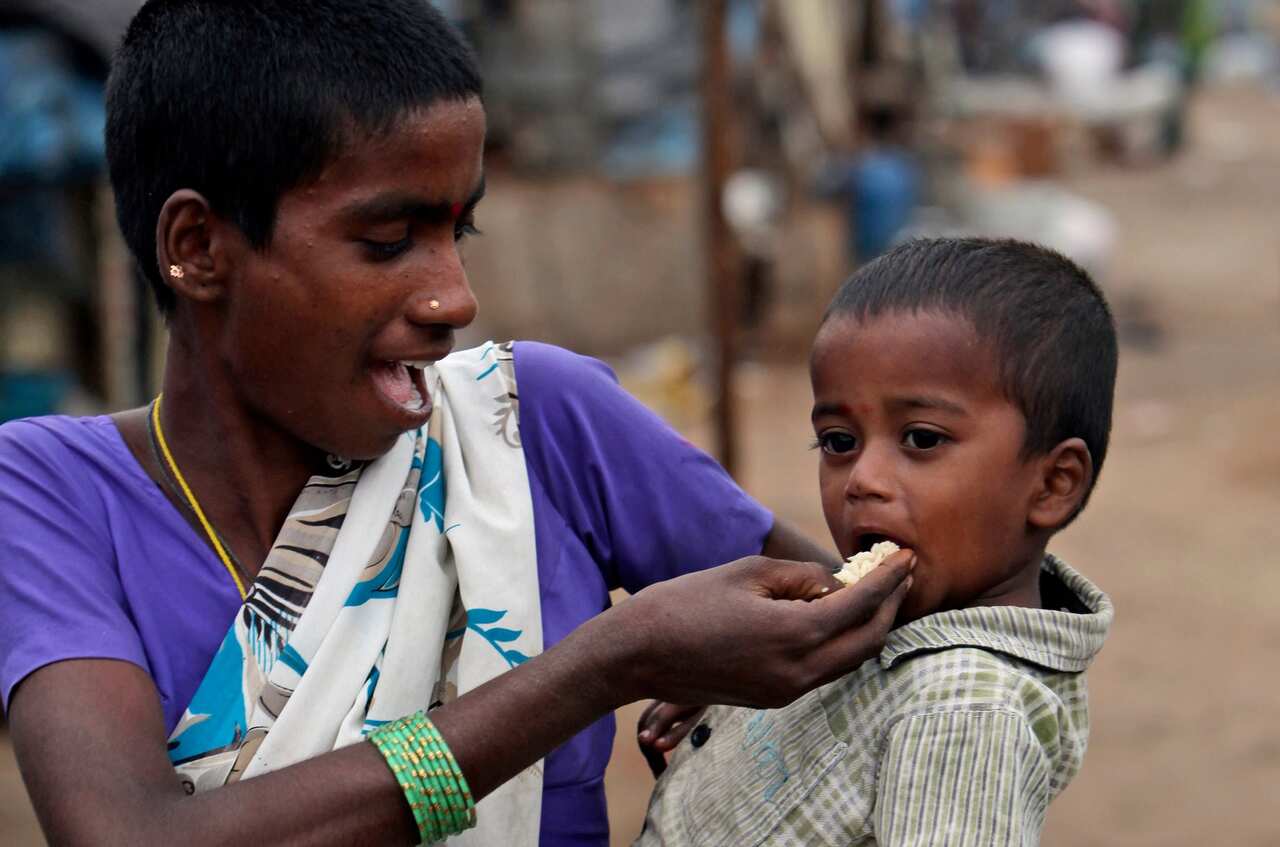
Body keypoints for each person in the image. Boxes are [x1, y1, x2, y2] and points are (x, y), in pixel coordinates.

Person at [0, 2, 915, 846]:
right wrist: (602, 665)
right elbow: (126, 836)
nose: (455, 297)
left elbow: (888, 626)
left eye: (458, 234)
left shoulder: (536, 424)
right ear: (198, 248)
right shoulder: (48, 493)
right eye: (389, 242)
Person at [637, 237, 1117, 845]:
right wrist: (733, 705)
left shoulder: (963, 713)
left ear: (1052, 483)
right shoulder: (875, 622)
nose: (862, 479)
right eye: (839, 442)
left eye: (920, 439)